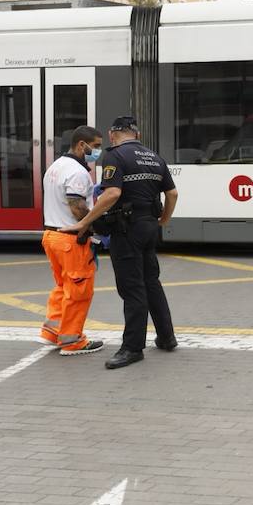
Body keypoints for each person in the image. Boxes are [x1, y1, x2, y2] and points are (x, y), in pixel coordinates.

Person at [64, 116, 178, 370]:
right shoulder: (154, 157)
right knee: (151, 281)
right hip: (149, 226)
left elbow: (112, 193)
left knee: (132, 288)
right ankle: (167, 337)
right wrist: (164, 220)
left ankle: (132, 348)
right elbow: (172, 193)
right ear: (136, 135)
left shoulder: (115, 155)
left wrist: (85, 223)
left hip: (127, 230)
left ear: (113, 134)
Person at [39, 126, 105, 356]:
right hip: (70, 240)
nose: (98, 151)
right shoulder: (77, 172)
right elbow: (77, 206)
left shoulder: (56, 167)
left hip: (51, 236)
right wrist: (97, 225)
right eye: (95, 146)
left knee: (63, 286)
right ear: (81, 145)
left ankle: (52, 331)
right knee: (79, 291)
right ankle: (72, 340)